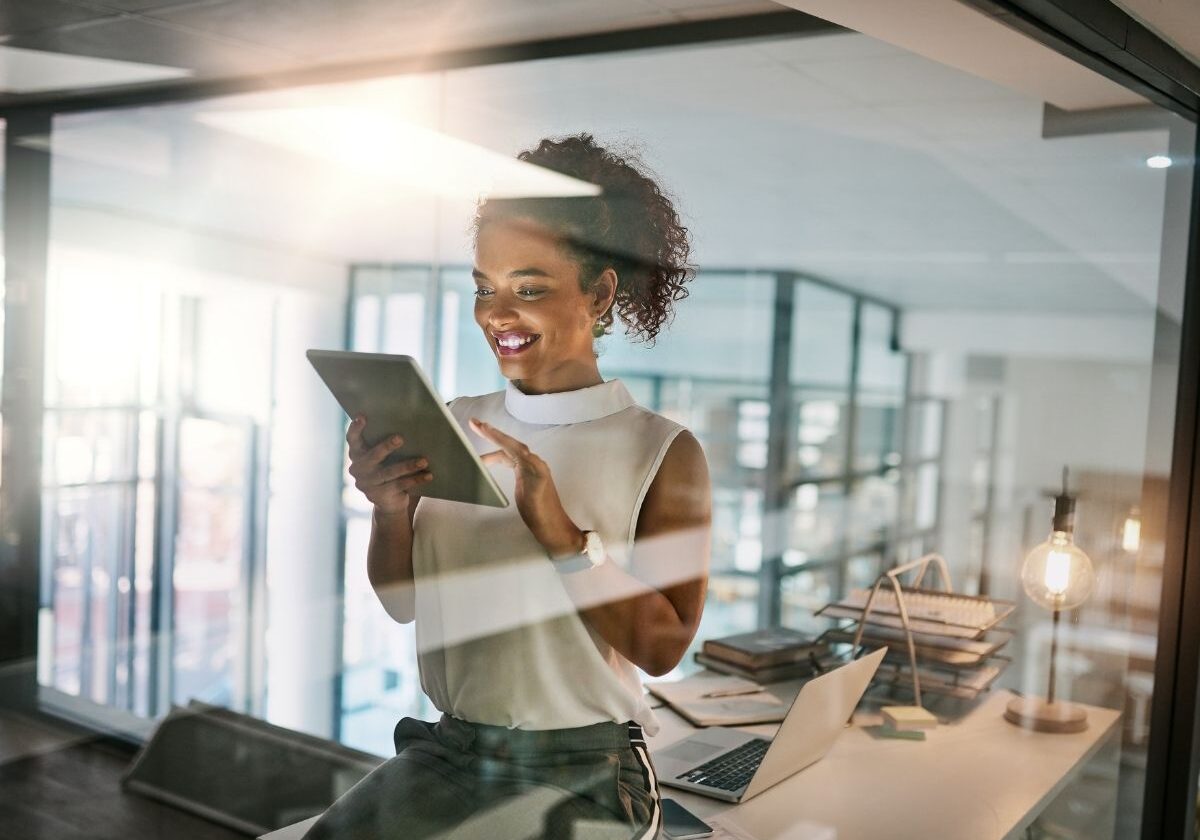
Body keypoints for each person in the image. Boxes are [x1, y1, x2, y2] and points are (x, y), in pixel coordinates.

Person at [305, 134, 712, 840]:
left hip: (586, 770)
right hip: (454, 751)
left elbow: (664, 648)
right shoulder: (452, 422)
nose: (497, 314)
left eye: (530, 289)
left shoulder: (663, 451)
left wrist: (562, 538)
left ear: (601, 293)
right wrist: (390, 508)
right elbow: (402, 602)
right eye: (484, 288)